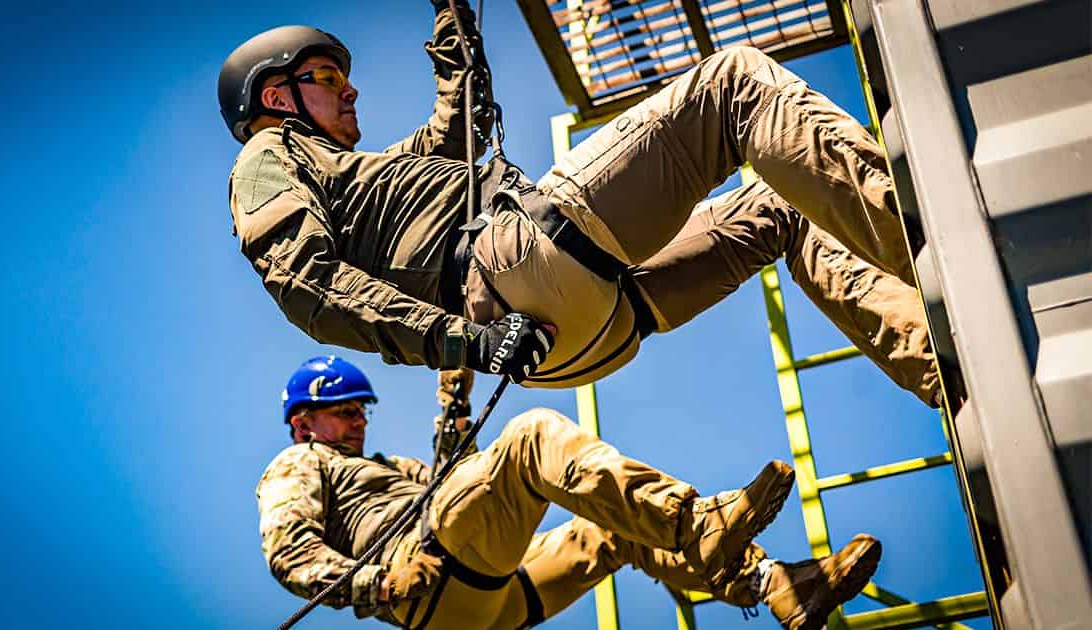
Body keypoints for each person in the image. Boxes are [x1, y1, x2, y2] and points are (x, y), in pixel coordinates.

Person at [218, 1, 939, 405]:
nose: (350, 89)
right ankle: (940, 234)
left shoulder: (378, 179)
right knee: (734, 85)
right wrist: (461, 342)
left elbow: (459, 122)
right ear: (277, 96)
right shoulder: (268, 157)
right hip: (516, 277)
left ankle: (941, 360)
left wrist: (449, 10)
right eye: (327, 77)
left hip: (586, 327)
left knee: (777, 210)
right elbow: (305, 284)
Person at [257, 356, 882, 629]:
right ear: (304, 422)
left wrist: (455, 403)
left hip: (485, 595)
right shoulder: (297, 463)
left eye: (360, 409)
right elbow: (289, 552)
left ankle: (777, 586)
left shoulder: (393, 467)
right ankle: (694, 523)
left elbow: (466, 491)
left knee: (613, 530)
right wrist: (378, 584)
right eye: (342, 411)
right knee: (532, 436)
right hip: (421, 586)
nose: (358, 420)